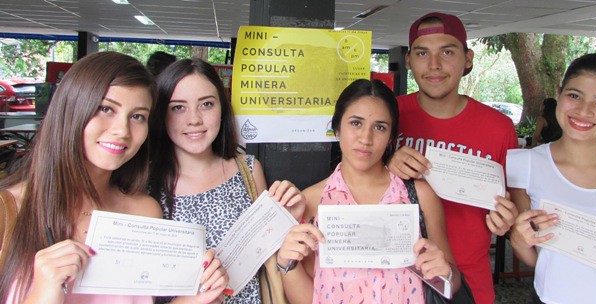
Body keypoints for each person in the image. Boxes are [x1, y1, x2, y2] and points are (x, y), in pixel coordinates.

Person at [0, 52, 228, 304]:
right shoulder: (9, 210)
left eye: (137, 116)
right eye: (106, 109)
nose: (122, 130)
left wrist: (194, 298)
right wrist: (43, 293)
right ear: (71, 108)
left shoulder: (144, 212)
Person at [276, 79, 461, 304]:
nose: (366, 138)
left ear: (391, 137)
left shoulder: (419, 196)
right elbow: (309, 299)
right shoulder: (311, 202)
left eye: (380, 127)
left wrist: (445, 271)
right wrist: (287, 262)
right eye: (356, 123)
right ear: (336, 128)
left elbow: (453, 279)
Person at [387, 12, 519, 304]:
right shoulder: (387, 116)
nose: (434, 65)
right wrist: (385, 168)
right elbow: (351, 182)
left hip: (470, 282)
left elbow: (516, 211)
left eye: (447, 52)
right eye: (423, 53)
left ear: (468, 58)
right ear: (409, 60)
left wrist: (509, 222)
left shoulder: (499, 127)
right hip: (393, 276)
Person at [148, 58, 304, 304]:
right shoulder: (147, 188)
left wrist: (287, 218)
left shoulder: (248, 170)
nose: (194, 119)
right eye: (178, 107)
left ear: (222, 108)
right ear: (161, 114)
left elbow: (270, 255)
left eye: (206, 104)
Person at [507, 53, 596, 303]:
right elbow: (539, 260)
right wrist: (520, 241)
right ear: (559, 93)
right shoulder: (524, 165)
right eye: (574, 96)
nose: (583, 111)